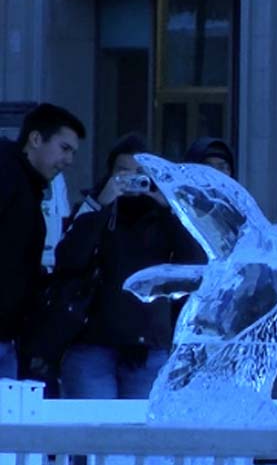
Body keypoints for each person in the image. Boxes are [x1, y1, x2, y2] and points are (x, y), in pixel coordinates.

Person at [53, 134, 202, 400]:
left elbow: (194, 264)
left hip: (148, 347)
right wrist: (100, 204)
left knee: (139, 437)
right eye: (124, 172)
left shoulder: (164, 218)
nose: (133, 180)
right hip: (92, 342)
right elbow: (69, 258)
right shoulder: (94, 209)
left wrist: (170, 210)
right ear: (110, 173)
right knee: (93, 433)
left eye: (141, 174)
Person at [0, 103, 84, 379]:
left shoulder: (27, 185)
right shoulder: (8, 175)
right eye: (64, 148)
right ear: (35, 139)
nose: (69, 160)